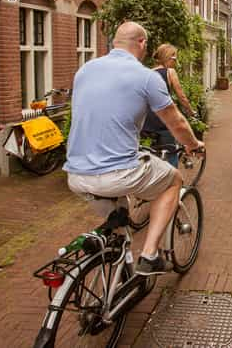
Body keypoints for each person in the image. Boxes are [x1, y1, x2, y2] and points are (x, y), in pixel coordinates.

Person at [64, 22, 204, 277]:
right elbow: (176, 122)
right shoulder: (146, 76)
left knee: (119, 226)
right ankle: (150, 255)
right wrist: (193, 144)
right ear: (141, 43)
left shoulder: (85, 70)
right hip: (118, 173)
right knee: (173, 180)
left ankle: (119, 277)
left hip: (76, 175)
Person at [141, 43, 196, 167]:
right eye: (175, 58)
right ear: (168, 57)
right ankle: (173, 182)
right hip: (163, 119)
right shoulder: (170, 72)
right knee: (171, 152)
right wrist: (191, 111)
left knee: (153, 153)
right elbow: (181, 96)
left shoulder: (148, 73)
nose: (175, 62)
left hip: (147, 120)